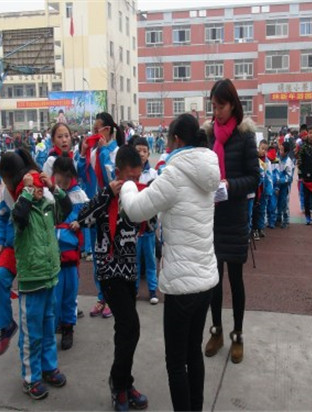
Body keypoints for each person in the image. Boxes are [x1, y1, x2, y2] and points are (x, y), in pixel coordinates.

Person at [120, 113, 220, 411]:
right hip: (206, 280)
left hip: (181, 285)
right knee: (193, 353)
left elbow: (136, 210)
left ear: (176, 140)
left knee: (176, 362)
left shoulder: (175, 175)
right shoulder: (208, 171)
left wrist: (128, 185)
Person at [77, 146, 148, 411]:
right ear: (118, 173)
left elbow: (149, 226)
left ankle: (124, 383)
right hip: (109, 272)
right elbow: (82, 218)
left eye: (138, 177)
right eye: (130, 178)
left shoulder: (138, 196)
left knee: (125, 329)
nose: (134, 183)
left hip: (129, 273)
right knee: (131, 326)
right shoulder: (105, 197)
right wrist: (107, 193)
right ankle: (119, 384)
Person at [0, 149, 72, 400]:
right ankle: (31, 378)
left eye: (40, 185)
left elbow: (67, 207)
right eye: (33, 186)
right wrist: (28, 192)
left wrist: (53, 187)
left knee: (48, 327)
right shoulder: (21, 211)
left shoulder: (48, 208)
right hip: (31, 282)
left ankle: (49, 367)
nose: (39, 190)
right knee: (32, 334)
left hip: (50, 277)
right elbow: (19, 215)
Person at [202, 79, 260, 364]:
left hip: (235, 217)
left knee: (236, 280)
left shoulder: (245, 136)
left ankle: (238, 335)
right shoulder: (207, 135)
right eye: (213, 107)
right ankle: (216, 331)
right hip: (211, 218)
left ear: (233, 105)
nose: (217, 112)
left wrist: (230, 185)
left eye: (221, 106)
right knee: (213, 280)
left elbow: (254, 177)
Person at [77, 112, 124, 319]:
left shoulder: (117, 152)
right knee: (98, 255)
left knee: (112, 254)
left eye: (98, 129)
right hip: (98, 207)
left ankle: (113, 298)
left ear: (109, 130)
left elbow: (111, 177)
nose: (95, 133)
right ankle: (101, 296)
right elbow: (83, 176)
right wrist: (83, 154)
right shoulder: (95, 152)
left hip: (113, 209)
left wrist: (104, 151)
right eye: (94, 129)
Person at [52, 157, 89, 350]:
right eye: (59, 179)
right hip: (52, 255)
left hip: (71, 254)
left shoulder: (79, 195)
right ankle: (55, 325)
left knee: (69, 293)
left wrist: (79, 222)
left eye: (66, 179)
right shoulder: (49, 194)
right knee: (54, 295)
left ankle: (68, 328)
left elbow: (88, 215)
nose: (62, 184)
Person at [0, 185, 18, 356]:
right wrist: (0, 241)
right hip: (12, 247)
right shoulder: (7, 192)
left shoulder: (39, 186)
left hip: (34, 248)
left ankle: (64, 321)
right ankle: (6, 325)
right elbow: (0, 217)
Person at [132, 137, 159, 304]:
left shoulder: (153, 174)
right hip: (133, 227)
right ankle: (134, 290)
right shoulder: (130, 174)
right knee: (134, 261)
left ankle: (152, 290)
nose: (141, 154)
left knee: (150, 260)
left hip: (149, 226)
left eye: (144, 151)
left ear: (149, 154)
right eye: (138, 151)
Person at [275, 140, 295, 229]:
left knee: (284, 203)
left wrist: (281, 180)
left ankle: (286, 220)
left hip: (285, 186)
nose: (280, 151)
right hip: (278, 185)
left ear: (286, 152)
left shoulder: (288, 162)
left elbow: (289, 177)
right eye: (280, 149)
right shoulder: (277, 158)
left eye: (282, 150)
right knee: (278, 202)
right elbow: (275, 169)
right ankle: (278, 218)